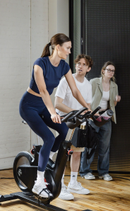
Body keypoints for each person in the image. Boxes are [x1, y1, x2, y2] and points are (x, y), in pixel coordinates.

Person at [19, 33, 90, 199]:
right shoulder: (39, 64)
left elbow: (75, 90)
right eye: (67, 48)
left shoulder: (64, 66)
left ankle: (48, 156)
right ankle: (38, 183)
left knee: (64, 131)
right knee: (49, 138)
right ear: (57, 47)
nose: (69, 51)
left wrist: (87, 107)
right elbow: (43, 91)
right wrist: (52, 112)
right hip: (29, 106)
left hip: (42, 105)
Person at [54, 54, 93, 200]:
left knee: (77, 153)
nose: (80, 66)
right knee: (64, 154)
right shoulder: (65, 81)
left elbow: (87, 105)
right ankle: (61, 185)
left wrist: (88, 115)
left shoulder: (88, 85)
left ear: (88, 68)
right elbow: (57, 104)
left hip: (80, 123)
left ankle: (73, 183)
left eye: (84, 64)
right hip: (65, 122)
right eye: (78, 63)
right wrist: (75, 112)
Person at [79, 61, 121, 181]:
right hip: (93, 117)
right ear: (103, 70)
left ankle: (103, 172)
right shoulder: (93, 82)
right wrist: (90, 112)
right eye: (108, 70)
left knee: (105, 146)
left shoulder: (114, 85)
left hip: (105, 118)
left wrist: (116, 100)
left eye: (112, 70)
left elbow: (112, 104)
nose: (110, 72)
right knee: (89, 145)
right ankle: (85, 171)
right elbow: (85, 98)